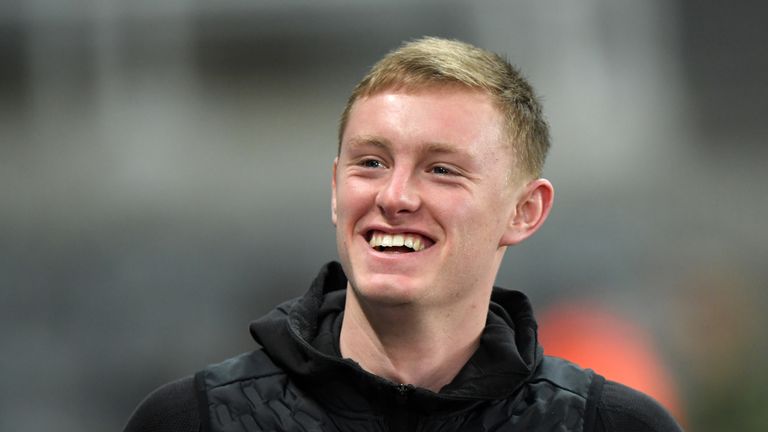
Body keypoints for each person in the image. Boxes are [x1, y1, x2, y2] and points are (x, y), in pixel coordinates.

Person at [124, 37, 683, 432]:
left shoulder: (613, 425)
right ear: (335, 189)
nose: (393, 197)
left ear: (524, 211)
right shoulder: (188, 420)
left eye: (441, 169)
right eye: (370, 163)